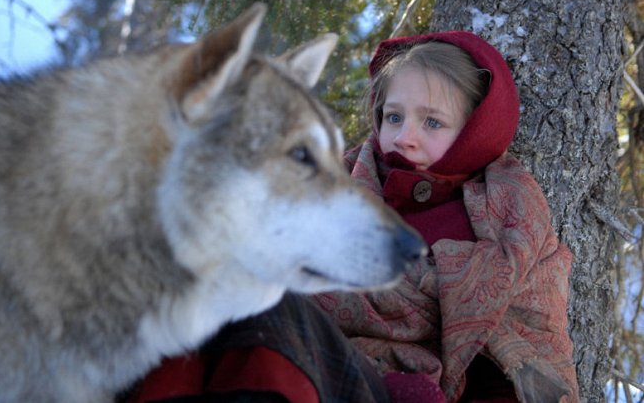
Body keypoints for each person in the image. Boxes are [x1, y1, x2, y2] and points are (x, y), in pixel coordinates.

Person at [120, 31, 579, 403]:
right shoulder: (331, 178)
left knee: (270, 304)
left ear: (474, 131)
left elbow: (525, 353)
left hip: (399, 391)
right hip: (294, 364)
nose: (404, 136)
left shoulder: (510, 218)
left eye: (432, 122)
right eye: (393, 116)